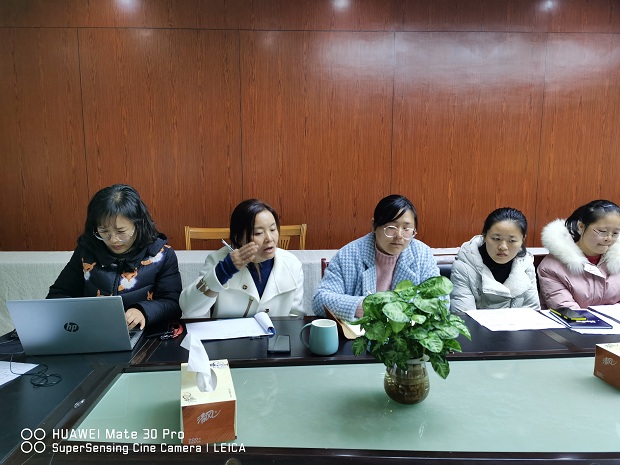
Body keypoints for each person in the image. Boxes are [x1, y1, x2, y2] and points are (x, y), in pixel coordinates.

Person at [47, 184, 182, 329]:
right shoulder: (87, 251)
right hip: (93, 331)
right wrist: (80, 314)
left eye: (121, 232)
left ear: (138, 224)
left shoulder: (161, 254)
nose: (113, 240)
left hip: (142, 333)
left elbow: (173, 304)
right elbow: (58, 295)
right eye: (104, 231)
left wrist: (143, 311)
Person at [312, 194, 440, 321]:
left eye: (406, 228)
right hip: (358, 332)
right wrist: (366, 306)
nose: (399, 235)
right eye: (391, 227)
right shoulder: (349, 254)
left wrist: (400, 310)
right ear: (374, 225)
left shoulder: (422, 254)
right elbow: (320, 300)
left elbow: (441, 301)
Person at [180, 199, 304, 318]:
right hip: (228, 333)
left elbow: (296, 317)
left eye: (273, 229)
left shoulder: (292, 263)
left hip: (275, 333)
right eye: (258, 233)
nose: (269, 238)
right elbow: (189, 309)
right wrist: (224, 271)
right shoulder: (219, 261)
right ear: (238, 238)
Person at [450, 208, 539, 312]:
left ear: (522, 240)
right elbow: (464, 315)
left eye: (512, 240)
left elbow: (532, 312)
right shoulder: (464, 267)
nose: (503, 247)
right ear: (484, 236)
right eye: (496, 239)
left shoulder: (526, 264)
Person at [538, 199, 620, 309]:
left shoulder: (617, 259)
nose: (609, 238)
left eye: (615, 233)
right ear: (581, 226)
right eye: (602, 231)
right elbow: (567, 310)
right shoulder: (551, 267)